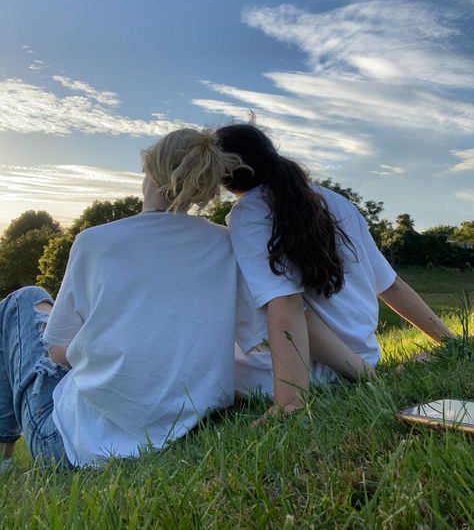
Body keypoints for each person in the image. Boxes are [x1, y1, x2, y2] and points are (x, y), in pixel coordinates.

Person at [0, 128, 255, 468]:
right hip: (183, 429)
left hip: (70, 447)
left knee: (23, 300)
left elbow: (59, 353)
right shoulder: (226, 244)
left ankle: (4, 447)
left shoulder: (96, 242)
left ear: (149, 169)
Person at [216, 123, 456, 419]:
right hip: (363, 357)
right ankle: (364, 372)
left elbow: (286, 306)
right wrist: (450, 341)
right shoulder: (333, 200)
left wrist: (290, 401)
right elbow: (390, 285)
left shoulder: (248, 214)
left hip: (313, 373)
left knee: (229, 270)